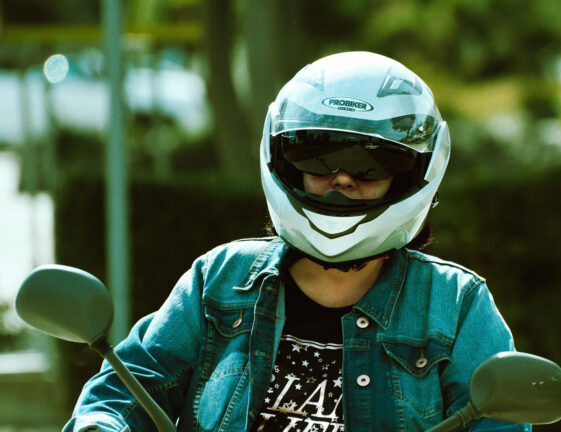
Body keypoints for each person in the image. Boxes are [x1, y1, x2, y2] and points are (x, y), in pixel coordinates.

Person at [64, 51, 529, 432]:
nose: (342, 178)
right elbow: (127, 390)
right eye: (317, 155)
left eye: (370, 165)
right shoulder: (219, 280)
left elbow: (500, 424)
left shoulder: (454, 306)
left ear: (413, 174)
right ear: (285, 159)